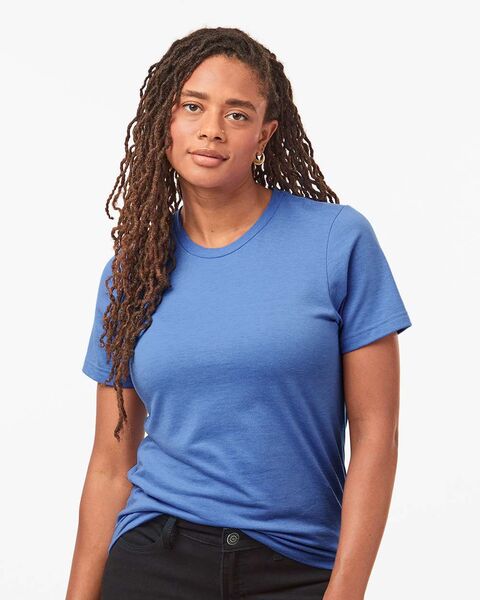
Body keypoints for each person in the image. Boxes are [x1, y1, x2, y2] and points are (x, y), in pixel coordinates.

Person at [66, 26, 412, 600]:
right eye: (193, 106)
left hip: (296, 565)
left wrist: (345, 592)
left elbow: (377, 435)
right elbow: (110, 459)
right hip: (154, 560)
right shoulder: (132, 273)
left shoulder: (336, 241)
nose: (211, 129)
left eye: (237, 114)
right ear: (164, 121)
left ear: (264, 134)